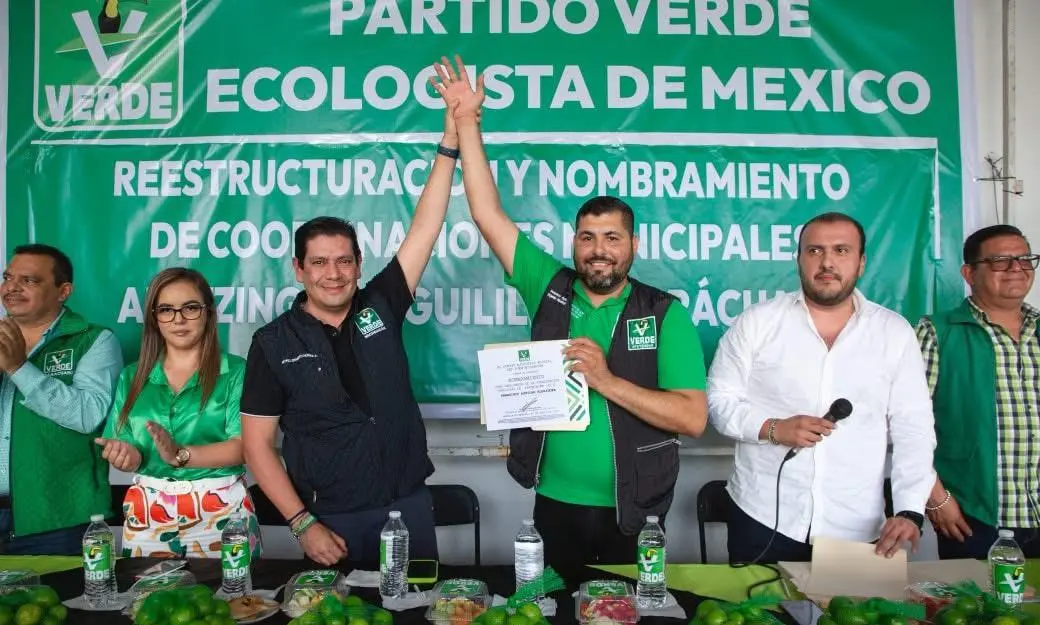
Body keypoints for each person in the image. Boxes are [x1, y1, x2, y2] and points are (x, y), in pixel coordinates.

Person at [431, 56, 708, 579]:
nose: (598, 250)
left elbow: (692, 419)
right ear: (574, 243)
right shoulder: (549, 286)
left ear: (633, 245)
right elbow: (488, 214)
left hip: (635, 510)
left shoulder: (664, 314)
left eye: (612, 238)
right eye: (587, 237)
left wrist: (605, 380)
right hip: (554, 502)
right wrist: (467, 123)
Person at [239, 104, 459, 569]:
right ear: (298, 270)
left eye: (343, 261)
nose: (333, 274)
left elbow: (426, 226)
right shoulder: (273, 343)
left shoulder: (381, 303)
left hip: (409, 503)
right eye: (318, 262)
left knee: (423, 624)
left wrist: (451, 140)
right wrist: (302, 523)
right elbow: (256, 446)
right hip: (331, 516)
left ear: (359, 265)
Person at [707, 212, 936, 563]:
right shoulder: (758, 322)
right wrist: (774, 428)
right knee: (757, 617)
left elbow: (914, 428)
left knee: (848, 620)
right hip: (763, 518)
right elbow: (719, 400)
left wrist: (909, 510)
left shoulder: (894, 332)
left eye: (841, 250)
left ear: (861, 263)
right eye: (814, 251)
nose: (827, 262)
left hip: (857, 526)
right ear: (799, 259)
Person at [95, 268, 260, 558]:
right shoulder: (131, 376)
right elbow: (128, 453)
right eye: (166, 310)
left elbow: (245, 448)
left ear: (208, 312)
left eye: (190, 308)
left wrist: (180, 454)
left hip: (222, 511)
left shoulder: (236, 371)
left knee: (230, 600)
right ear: (154, 318)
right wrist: (125, 456)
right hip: (147, 512)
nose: (178, 319)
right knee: (147, 601)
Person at [917, 224, 1040, 559]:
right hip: (974, 517)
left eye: (1025, 259)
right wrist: (936, 497)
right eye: (1001, 261)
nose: (1017, 268)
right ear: (969, 273)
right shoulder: (938, 333)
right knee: (975, 611)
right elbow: (906, 426)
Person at [0, 244, 123, 555]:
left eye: (29, 280)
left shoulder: (93, 339)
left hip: (59, 518)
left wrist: (18, 367)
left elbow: (89, 415)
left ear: (63, 291)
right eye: (8, 277)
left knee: (59, 603)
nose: (12, 288)